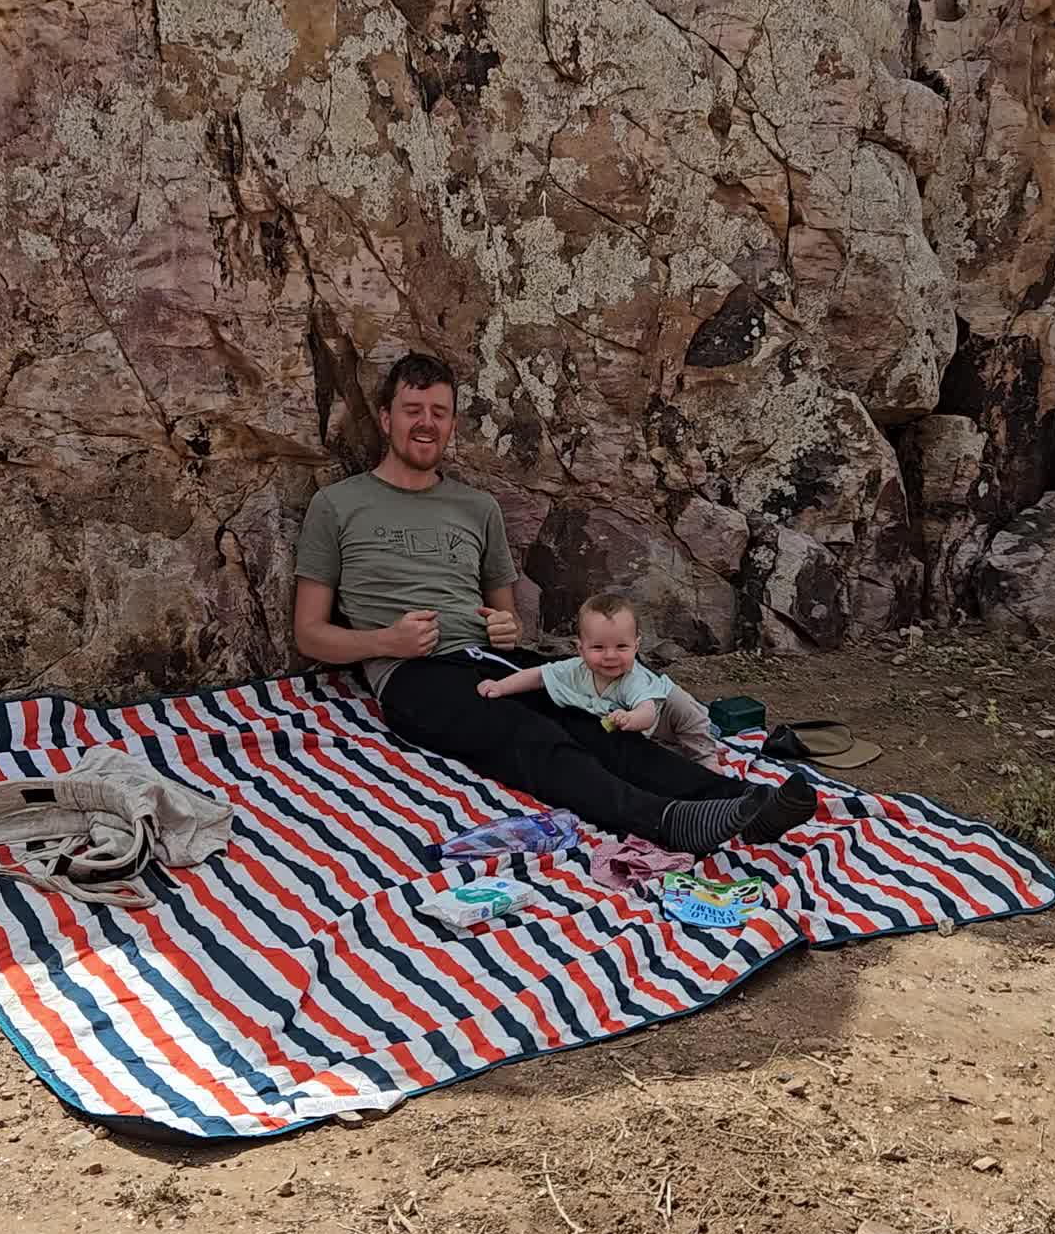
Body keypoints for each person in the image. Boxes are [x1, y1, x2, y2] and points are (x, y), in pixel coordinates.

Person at [293, 352, 816, 857]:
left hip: (490, 660)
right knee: (530, 735)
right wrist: (386, 641)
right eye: (413, 410)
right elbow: (309, 633)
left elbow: (509, 619)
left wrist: (506, 628)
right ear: (386, 419)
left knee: (596, 721)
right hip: (412, 675)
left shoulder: (477, 507)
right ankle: (664, 821)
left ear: (451, 423)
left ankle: (741, 802)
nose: (426, 423)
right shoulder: (337, 505)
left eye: (439, 412)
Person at [477, 591, 724, 767]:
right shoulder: (574, 670)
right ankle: (678, 751)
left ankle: (708, 759)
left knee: (693, 728)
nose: (610, 656)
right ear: (580, 648)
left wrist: (630, 718)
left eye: (621, 646)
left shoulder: (632, 678)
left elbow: (648, 712)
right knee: (660, 755)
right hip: (648, 730)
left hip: (669, 709)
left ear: (636, 646)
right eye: (598, 647)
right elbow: (539, 676)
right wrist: (501, 686)